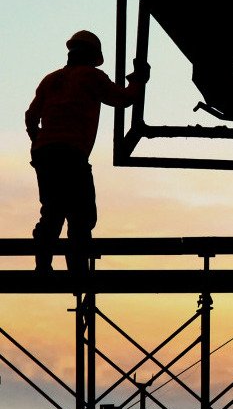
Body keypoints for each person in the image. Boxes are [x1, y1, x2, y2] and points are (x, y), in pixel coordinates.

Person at [25, 30, 150, 274]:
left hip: (46, 155)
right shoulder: (91, 77)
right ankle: (78, 271)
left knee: (52, 210)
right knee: (80, 214)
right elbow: (123, 98)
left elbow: (31, 117)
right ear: (92, 56)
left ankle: (42, 266)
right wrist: (139, 80)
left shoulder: (50, 80)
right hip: (71, 154)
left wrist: (38, 139)